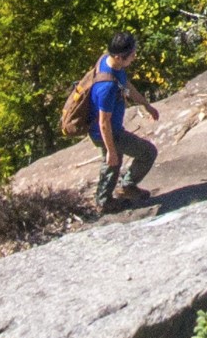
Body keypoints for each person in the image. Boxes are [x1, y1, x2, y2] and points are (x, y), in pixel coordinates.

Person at [68, 31, 164, 212]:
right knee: (147, 153)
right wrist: (111, 149)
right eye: (132, 54)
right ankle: (124, 188)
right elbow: (104, 122)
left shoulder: (109, 62)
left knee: (113, 163)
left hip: (109, 129)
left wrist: (146, 104)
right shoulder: (107, 87)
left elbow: (126, 84)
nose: (134, 57)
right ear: (119, 57)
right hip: (107, 132)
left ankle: (105, 199)